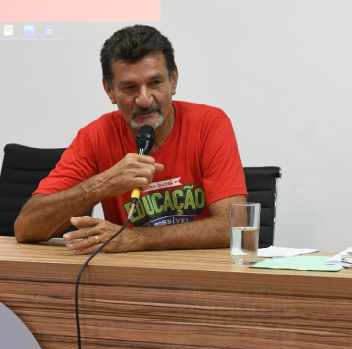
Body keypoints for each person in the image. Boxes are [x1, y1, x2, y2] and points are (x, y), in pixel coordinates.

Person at [14, 25, 248, 254]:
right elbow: (25, 228)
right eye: (129, 87)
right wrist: (103, 184)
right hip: (128, 274)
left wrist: (136, 238)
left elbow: (234, 226)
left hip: (199, 270)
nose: (144, 100)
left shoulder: (209, 123)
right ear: (109, 90)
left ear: (174, 80)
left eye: (155, 83)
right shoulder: (95, 137)